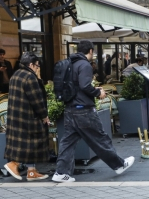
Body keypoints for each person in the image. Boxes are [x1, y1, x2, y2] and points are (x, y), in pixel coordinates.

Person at [52, 40, 135, 182]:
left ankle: (60, 172)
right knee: (100, 138)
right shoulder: (84, 65)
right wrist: (98, 92)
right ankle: (119, 165)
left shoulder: (70, 63)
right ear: (90, 51)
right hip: (83, 110)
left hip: (70, 109)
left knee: (67, 142)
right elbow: (84, 86)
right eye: (93, 51)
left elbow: (76, 86)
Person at [3, 52, 50, 181]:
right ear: (30, 64)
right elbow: (37, 100)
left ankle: (31, 171)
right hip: (29, 117)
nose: (37, 68)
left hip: (17, 117)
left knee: (24, 143)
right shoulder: (30, 77)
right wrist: (44, 116)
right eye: (37, 65)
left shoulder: (15, 75)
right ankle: (14, 164)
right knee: (33, 143)